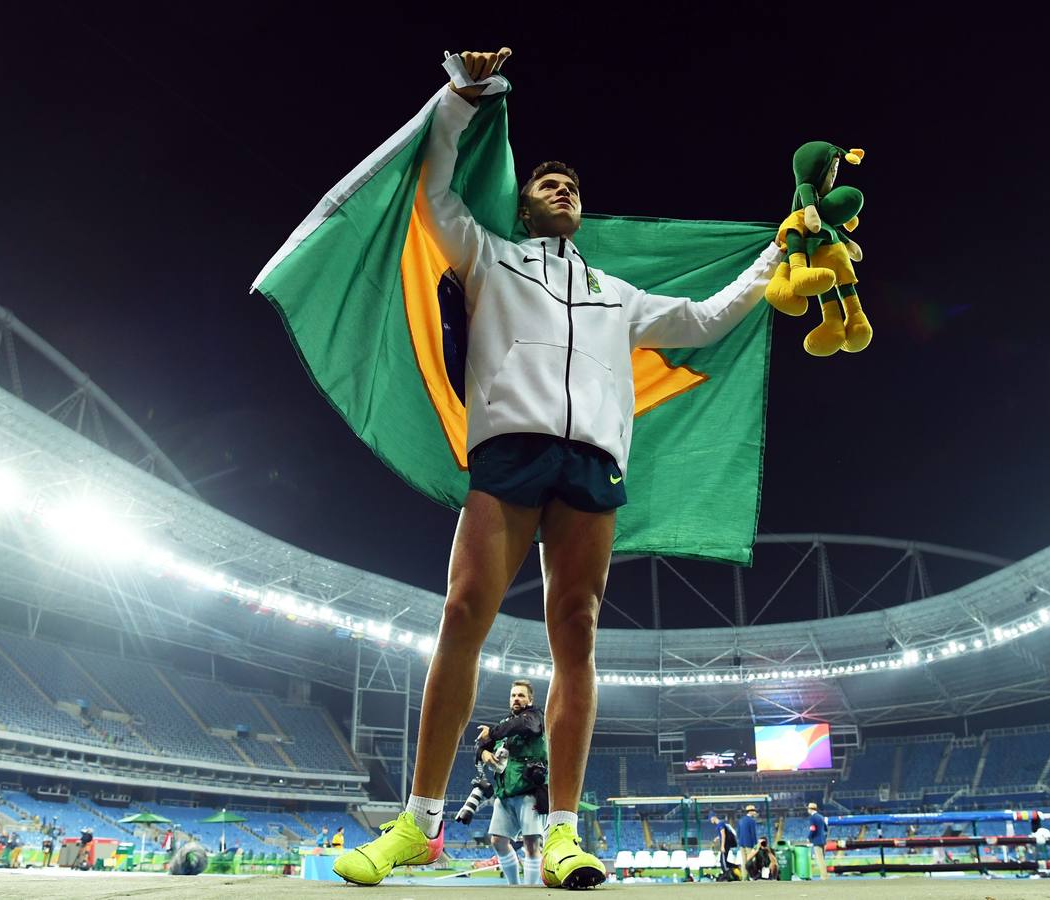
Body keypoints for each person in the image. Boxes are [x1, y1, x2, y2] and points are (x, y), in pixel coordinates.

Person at [333, 46, 782, 892]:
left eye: (571, 185)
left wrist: (776, 257)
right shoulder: (486, 253)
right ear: (527, 204)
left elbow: (705, 320)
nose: (561, 189)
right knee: (465, 609)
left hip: (592, 464)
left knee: (574, 633)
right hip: (507, 448)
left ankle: (561, 839)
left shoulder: (618, 294)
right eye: (546, 183)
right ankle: (417, 825)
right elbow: (433, 192)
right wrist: (462, 96)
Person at [477, 680, 548, 886]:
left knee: (531, 843)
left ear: (530, 699)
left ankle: (532, 890)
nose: (516, 698)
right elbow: (481, 744)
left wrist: (492, 732)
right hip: (505, 792)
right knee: (498, 841)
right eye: (513, 695)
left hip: (529, 790)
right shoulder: (505, 722)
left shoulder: (535, 717)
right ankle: (514, 888)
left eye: (521, 695)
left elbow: (525, 725)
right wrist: (484, 753)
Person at [710, 814, 738, 881]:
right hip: (726, 844)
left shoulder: (720, 824)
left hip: (725, 845)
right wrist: (717, 838)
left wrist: (722, 846)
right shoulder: (721, 824)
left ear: (713, 818)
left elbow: (723, 834)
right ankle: (734, 867)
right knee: (722, 860)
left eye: (710, 819)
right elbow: (722, 834)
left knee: (723, 861)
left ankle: (727, 874)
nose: (711, 821)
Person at [806, 802, 828, 879]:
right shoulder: (821, 817)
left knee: (819, 859)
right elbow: (826, 828)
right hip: (823, 840)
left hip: (817, 841)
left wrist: (809, 837)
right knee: (823, 859)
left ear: (810, 809)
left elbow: (813, 829)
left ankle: (824, 877)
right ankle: (825, 875)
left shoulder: (812, 818)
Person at [737, 804, 759, 876]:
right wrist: (756, 844)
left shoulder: (740, 820)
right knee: (750, 861)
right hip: (749, 844)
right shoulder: (751, 821)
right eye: (754, 811)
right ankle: (751, 876)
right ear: (751, 812)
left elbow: (738, 833)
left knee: (744, 861)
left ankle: (744, 877)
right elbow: (753, 834)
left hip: (741, 844)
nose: (755, 812)